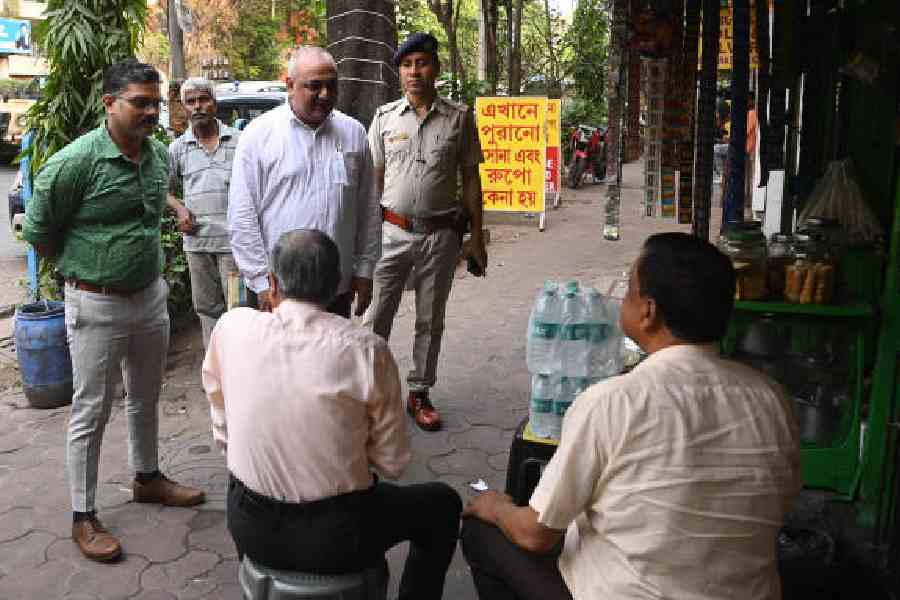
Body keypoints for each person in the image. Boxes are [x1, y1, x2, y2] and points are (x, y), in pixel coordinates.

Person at [461, 232, 801, 600]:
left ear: (648, 311)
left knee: (484, 533)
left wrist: (496, 507)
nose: (622, 298)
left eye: (629, 291)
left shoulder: (612, 402)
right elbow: (781, 505)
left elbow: (535, 534)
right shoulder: (772, 400)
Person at [203, 228, 462, 600]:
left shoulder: (232, 328)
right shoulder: (366, 351)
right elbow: (393, 463)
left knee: (241, 479)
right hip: (339, 537)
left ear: (273, 283)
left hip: (250, 524)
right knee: (442, 504)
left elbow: (222, 428)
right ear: (336, 286)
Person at [22, 58, 205, 563]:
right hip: (95, 303)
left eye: (155, 101)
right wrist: (83, 271)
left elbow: (153, 202)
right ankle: (83, 514)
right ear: (110, 104)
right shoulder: (74, 163)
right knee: (92, 409)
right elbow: (38, 230)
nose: (151, 111)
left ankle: (147, 478)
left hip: (149, 298)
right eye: (139, 103)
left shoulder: (158, 156)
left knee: (146, 396)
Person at [364, 33, 487, 432]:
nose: (415, 71)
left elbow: (471, 180)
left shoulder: (459, 118)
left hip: (440, 237)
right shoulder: (384, 118)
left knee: (430, 320)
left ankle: (419, 392)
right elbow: (374, 182)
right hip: (391, 234)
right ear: (399, 71)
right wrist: (365, 241)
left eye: (422, 63)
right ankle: (370, 394)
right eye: (407, 64)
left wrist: (476, 238)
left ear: (436, 68)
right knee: (376, 316)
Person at [228, 46, 380, 317]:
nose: (325, 95)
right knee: (276, 359)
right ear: (289, 85)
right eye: (315, 86)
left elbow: (367, 209)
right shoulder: (258, 136)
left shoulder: (353, 134)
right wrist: (262, 283)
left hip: (336, 288)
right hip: (278, 290)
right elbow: (242, 215)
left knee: (331, 357)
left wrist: (365, 270)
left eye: (332, 86)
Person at [168, 77, 240, 348]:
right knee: (207, 310)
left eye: (203, 99)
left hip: (234, 247)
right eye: (191, 101)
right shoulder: (177, 148)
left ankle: (241, 372)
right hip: (197, 247)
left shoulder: (239, 141)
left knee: (239, 308)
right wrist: (179, 207)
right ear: (184, 107)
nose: (197, 106)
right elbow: (160, 188)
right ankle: (216, 373)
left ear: (214, 103)